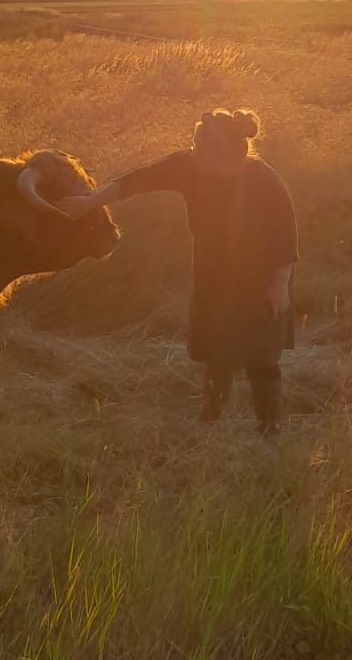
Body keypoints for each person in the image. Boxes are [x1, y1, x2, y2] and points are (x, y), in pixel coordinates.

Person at [66, 109, 298, 432]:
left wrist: (279, 284)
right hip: (212, 274)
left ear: (228, 156)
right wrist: (89, 203)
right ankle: (211, 419)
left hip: (261, 277)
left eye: (202, 152)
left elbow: (285, 236)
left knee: (261, 355)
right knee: (216, 348)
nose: (194, 157)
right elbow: (135, 181)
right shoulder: (190, 167)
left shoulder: (263, 181)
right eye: (193, 147)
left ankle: (270, 429)